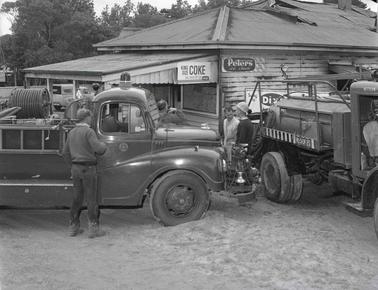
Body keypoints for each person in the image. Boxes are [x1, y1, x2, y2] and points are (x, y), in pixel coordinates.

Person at [62, 108, 107, 238]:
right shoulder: (89, 131)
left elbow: (65, 153)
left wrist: (73, 166)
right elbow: (98, 149)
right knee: (91, 199)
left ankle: (73, 227)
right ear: (86, 118)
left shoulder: (72, 132)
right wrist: (104, 145)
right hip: (89, 169)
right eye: (90, 117)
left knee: (77, 199)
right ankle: (93, 229)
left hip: (76, 169)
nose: (91, 119)